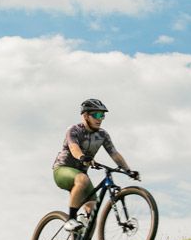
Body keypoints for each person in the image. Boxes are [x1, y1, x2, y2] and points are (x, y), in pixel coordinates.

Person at [52, 98, 139, 232]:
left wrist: (128, 170)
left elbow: (114, 154)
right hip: (62, 169)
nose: (100, 119)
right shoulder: (74, 130)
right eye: (97, 115)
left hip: (82, 175)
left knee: (93, 212)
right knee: (82, 179)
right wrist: (82, 157)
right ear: (86, 116)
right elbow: (74, 148)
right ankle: (70, 220)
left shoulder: (102, 134)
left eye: (102, 115)